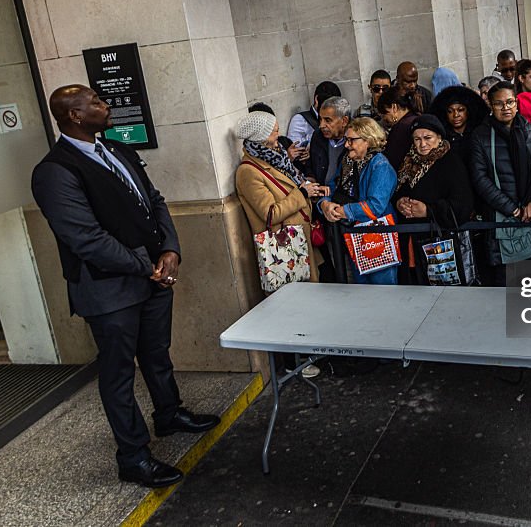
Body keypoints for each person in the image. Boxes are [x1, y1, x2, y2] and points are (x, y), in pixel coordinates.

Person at [31, 85, 219, 489]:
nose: (106, 105)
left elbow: (155, 201)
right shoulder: (54, 171)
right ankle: (133, 456)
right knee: (118, 374)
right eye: (96, 102)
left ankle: (169, 414)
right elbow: (85, 237)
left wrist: (170, 249)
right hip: (107, 290)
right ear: (74, 116)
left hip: (151, 276)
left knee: (156, 352)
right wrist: (146, 265)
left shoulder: (115, 149)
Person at [469, 82, 531, 285]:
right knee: (508, 287)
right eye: (499, 103)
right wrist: (513, 209)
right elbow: (480, 180)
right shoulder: (480, 136)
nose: (505, 108)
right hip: (501, 221)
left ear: (517, 103)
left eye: (510, 102)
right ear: (490, 105)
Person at [235, 111, 326, 282]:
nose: (279, 134)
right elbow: (270, 214)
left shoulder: (275, 158)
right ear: (261, 136)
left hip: (300, 241)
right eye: (274, 131)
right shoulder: (248, 171)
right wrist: (302, 194)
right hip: (285, 247)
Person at [393, 115, 475, 285]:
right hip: (412, 245)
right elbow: (398, 191)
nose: (422, 144)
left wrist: (428, 210)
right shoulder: (408, 163)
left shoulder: (451, 162)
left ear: (439, 138)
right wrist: (400, 202)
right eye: (417, 139)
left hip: (440, 246)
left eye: (427, 138)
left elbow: (463, 205)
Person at [318, 118, 399, 285]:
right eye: (346, 140)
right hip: (354, 235)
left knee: (383, 292)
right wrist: (325, 204)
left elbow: (375, 206)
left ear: (368, 140)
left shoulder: (380, 166)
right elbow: (332, 187)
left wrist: (343, 211)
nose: (346, 145)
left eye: (351, 140)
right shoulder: (348, 161)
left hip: (377, 236)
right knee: (360, 291)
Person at [288, 81, 341, 160]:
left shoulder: (338, 119)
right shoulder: (300, 120)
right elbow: (295, 151)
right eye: (326, 105)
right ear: (316, 99)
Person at [306, 96, 350, 186]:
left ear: (344, 121)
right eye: (320, 119)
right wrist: (311, 181)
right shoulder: (318, 136)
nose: (321, 125)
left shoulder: (356, 142)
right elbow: (311, 165)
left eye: (328, 120)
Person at [377, 85, 421, 171]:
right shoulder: (417, 118)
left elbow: (391, 162)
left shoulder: (400, 129)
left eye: (385, 114)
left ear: (394, 108)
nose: (384, 119)